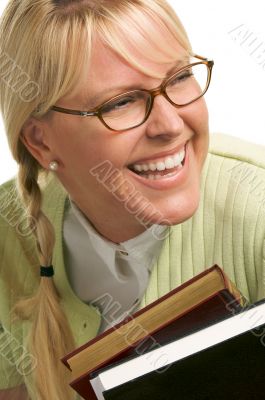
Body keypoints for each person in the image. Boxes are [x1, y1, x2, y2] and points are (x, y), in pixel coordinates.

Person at [0, 0, 264, 399]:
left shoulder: (257, 212)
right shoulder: (8, 236)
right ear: (41, 140)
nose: (171, 125)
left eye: (178, 78)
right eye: (120, 102)